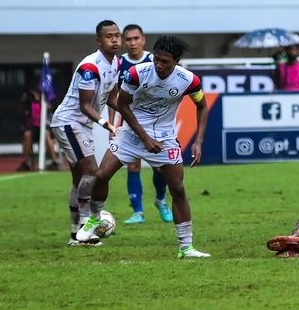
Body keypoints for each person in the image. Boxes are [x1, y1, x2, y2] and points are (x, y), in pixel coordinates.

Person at [76, 35, 211, 258]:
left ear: (176, 61)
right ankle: (94, 219)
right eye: (157, 59)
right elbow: (123, 105)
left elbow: (202, 106)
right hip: (131, 134)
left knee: (177, 189)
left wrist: (198, 142)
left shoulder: (189, 80)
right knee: (101, 175)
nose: (159, 64)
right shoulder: (137, 73)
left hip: (165, 138)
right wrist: (145, 138)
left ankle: (186, 248)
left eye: (165, 61)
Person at [50, 20, 121, 246]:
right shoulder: (90, 67)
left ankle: (75, 234)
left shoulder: (116, 63)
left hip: (82, 125)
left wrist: (129, 117)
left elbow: (112, 99)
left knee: (79, 178)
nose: (115, 40)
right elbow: (85, 106)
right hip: (69, 122)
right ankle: (84, 228)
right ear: (98, 41)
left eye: (117, 35)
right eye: (109, 36)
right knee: (91, 171)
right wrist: (104, 124)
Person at [117, 24, 173, 225]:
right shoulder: (119, 63)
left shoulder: (155, 60)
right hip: (130, 121)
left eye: (136, 38)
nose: (132, 43)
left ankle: (161, 200)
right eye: (128, 39)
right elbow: (116, 97)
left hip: (154, 123)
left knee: (160, 168)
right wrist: (112, 125)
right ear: (124, 41)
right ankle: (138, 212)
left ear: (143, 40)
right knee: (132, 166)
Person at [16, 87, 59, 172]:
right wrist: (25, 100)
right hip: (33, 128)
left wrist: (40, 100)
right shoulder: (30, 102)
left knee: (46, 134)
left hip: (44, 127)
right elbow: (23, 111)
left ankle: (54, 162)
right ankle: (26, 162)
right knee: (27, 135)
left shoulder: (45, 101)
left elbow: (50, 108)